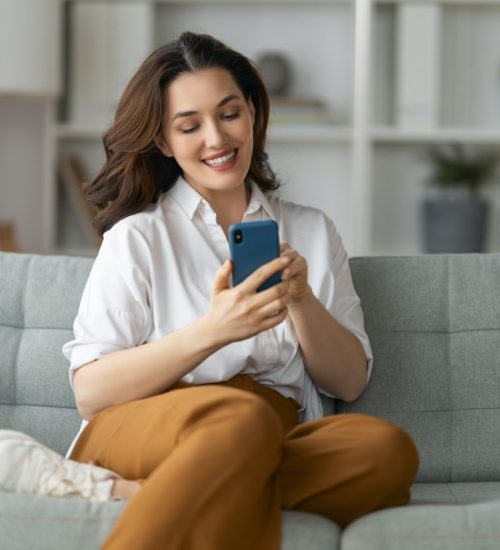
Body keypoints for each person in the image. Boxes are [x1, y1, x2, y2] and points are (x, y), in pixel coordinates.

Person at [1, 32, 419, 550]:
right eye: (189, 125)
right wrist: (213, 331)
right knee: (238, 419)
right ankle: (197, 477)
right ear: (164, 143)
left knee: (383, 450)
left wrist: (299, 299)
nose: (217, 140)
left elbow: (350, 382)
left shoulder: (312, 232)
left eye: (229, 113)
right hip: (148, 427)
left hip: (270, 431)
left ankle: (156, 493)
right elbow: (91, 392)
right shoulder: (137, 237)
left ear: (253, 114)